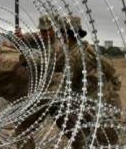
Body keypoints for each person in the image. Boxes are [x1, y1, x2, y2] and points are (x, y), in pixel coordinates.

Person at [52, 15, 122, 149]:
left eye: (60, 33)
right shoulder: (87, 48)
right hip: (110, 104)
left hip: (95, 110)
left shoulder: (75, 56)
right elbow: (114, 77)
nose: (59, 38)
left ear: (66, 35)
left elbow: (66, 85)